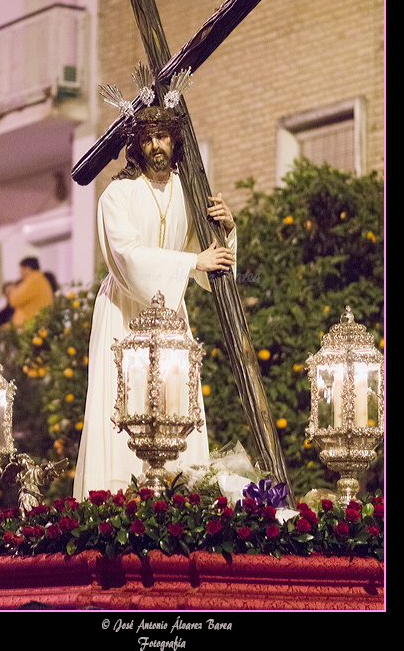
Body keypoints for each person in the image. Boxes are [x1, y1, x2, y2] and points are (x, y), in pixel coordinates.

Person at [73, 79, 236, 500]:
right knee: (121, 408)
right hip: (124, 314)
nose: (156, 145)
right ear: (137, 145)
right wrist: (189, 263)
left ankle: (178, 498)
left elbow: (207, 264)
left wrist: (227, 232)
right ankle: (114, 504)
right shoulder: (117, 195)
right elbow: (126, 257)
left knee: (175, 406)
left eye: (163, 136)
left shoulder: (190, 193)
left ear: (175, 140)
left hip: (171, 319)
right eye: (147, 138)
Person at [9, 257, 53, 328]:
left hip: (30, 325)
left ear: (27, 268)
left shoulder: (33, 280)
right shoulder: (40, 279)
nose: (19, 273)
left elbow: (15, 300)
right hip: (35, 323)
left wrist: (13, 289)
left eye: (20, 270)